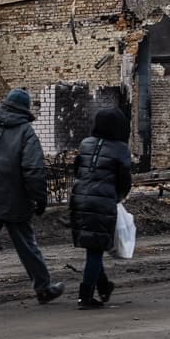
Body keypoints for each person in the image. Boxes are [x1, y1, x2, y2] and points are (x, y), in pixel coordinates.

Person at [0, 88, 65, 309]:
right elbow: (33, 169)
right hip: (15, 200)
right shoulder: (25, 132)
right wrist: (40, 198)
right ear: (24, 108)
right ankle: (43, 288)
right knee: (28, 247)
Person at [68, 106, 134, 309]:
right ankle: (85, 297)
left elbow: (77, 169)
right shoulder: (120, 148)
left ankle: (104, 287)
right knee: (95, 250)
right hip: (103, 201)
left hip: (79, 199)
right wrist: (119, 196)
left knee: (93, 247)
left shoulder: (85, 144)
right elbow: (124, 179)